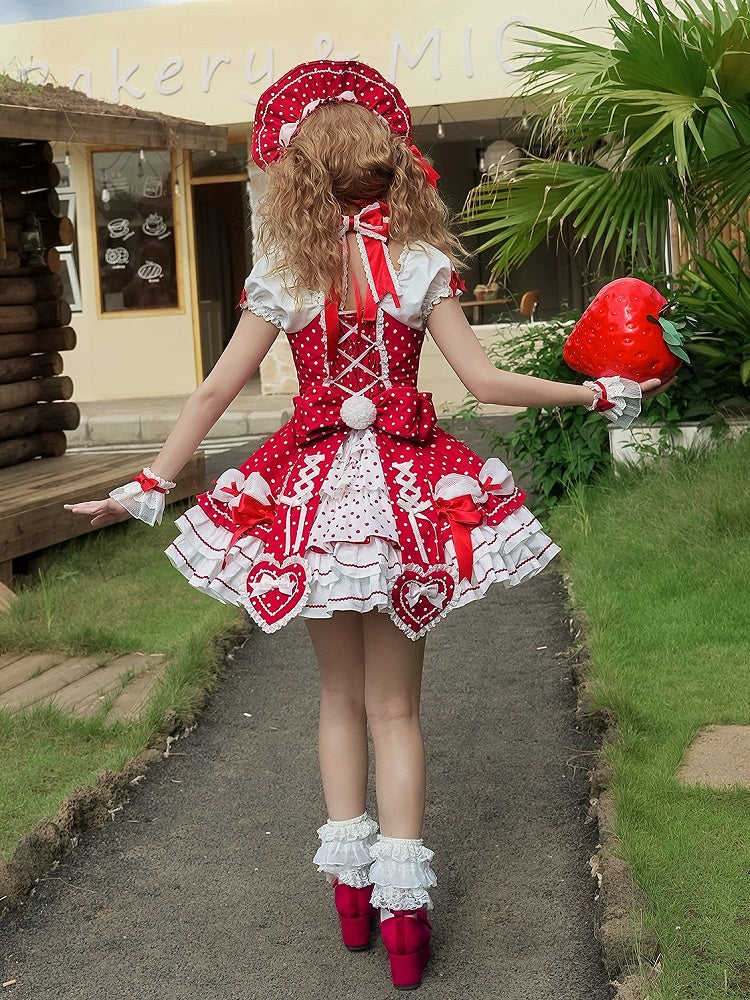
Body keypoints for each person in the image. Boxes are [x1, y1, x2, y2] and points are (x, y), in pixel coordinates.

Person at [65, 60, 670, 990]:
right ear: (388, 166)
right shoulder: (420, 264)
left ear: (302, 174)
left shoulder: (284, 272)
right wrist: (596, 390)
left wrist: (149, 483)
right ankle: (406, 921)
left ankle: (351, 898)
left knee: (337, 700)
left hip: (308, 500)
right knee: (397, 710)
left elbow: (219, 389)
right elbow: (488, 385)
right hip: (403, 499)